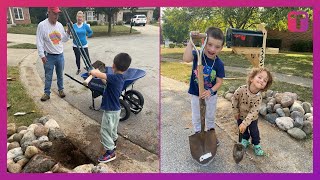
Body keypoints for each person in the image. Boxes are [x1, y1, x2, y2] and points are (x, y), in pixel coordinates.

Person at [183, 27, 225, 145]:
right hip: (196, 93)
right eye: (210, 44)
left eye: (217, 47)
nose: (212, 49)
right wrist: (191, 42)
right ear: (203, 42)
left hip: (210, 96)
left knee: (210, 115)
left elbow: (219, 82)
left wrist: (210, 91)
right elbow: (186, 59)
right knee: (196, 115)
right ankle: (198, 133)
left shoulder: (219, 64)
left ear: (221, 48)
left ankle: (211, 132)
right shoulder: (198, 54)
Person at [90, 53, 132, 163]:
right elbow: (107, 81)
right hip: (116, 110)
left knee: (104, 131)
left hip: (110, 111)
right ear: (126, 69)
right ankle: (113, 140)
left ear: (113, 65)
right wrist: (99, 75)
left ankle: (110, 151)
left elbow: (100, 75)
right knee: (112, 129)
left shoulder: (114, 77)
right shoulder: (119, 78)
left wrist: (95, 72)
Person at [231, 67, 273, 156]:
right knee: (242, 130)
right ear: (251, 78)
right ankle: (245, 139)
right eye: (260, 77)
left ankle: (256, 144)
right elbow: (234, 98)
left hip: (252, 119)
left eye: (265, 80)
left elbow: (253, 112)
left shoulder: (258, 97)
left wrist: (245, 123)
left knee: (254, 131)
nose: (262, 81)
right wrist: (235, 111)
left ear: (266, 85)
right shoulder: (241, 89)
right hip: (240, 115)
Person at [36, 7, 70, 101]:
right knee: (48, 76)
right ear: (49, 12)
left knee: (60, 75)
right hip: (49, 56)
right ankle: (47, 93)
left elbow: (64, 39)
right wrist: (42, 55)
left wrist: (68, 32)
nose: (57, 16)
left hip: (60, 55)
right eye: (55, 13)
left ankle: (61, 90)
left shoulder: (59, 25)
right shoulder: (42, 25)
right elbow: (39, 41)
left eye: (58, 14)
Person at [72, 11, 93, 75]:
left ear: (83, 18)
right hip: (76, 45)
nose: (79, 18)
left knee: (87, 58)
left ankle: (90, 69)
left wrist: (87, 36)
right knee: (77, 58)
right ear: (76, 18)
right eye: (78, 17)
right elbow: (71, 33)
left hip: (84, 45)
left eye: (81, 17)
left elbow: (91, 32)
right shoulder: (73, 26)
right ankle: (78, 69)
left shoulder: (85, 25)